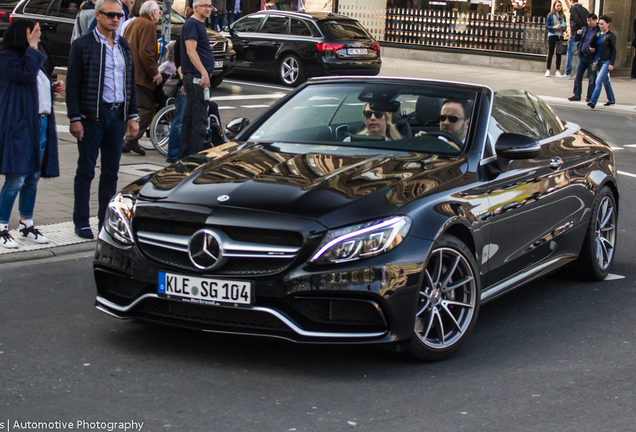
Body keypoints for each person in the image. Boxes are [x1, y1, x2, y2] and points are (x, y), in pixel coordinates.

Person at [66, 0, 140, 239]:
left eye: (119, 15)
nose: (116, 19)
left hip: (117, 116)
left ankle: (104, 220)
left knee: (111, 171)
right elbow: (73, 85)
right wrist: (75, 118)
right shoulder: (82, 45)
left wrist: (133, 115)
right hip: (91, 116)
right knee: (86, 170)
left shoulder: (123, 45)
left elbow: (130, 83)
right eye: (110, 15)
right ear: (97, 16)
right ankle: (81, 220)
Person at [0, 20, 61, 249]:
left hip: (41, 125)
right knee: (16, 178)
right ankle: (2, 227)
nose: (39, 34)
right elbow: (25, 76)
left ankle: (27, 223)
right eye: (34, 31)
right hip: (22, 126)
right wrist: (33, 47)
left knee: (33, 178)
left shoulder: (30, 58)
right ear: (22, 34)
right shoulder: (8, 58)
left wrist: (52, 88)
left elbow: (33, 85)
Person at [122, 0, 162, 156]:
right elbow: (147, 53)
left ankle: (128, 139)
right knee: (145, 108)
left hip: (129, 72)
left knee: (132, 107)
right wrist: (154, 72)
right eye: (158, 12)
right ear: (152, 13)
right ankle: (131, 138)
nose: (159, 15)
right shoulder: (148, 25)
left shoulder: (133, 23)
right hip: (141, 76)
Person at [180, 0, 216, 158]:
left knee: (191, 118)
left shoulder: (197, 24)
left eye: (210, 6)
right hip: (197, 79)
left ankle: (186, 157)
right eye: (205, 6)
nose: (208, 9)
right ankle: (195, 159)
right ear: (195, 7)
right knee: (199, 120)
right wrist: (203, 72)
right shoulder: (193, 24)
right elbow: (190, 51)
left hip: (194, 77)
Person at [568, 13, 600, 102]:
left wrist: (595, 50)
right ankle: (577, 94)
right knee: (578, 76)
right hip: (582, 57)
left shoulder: (598, 30)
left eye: (590, 20)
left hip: (592, 58)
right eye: (587, 20)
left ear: (595, 20)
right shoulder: (585, 29)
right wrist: (577, 34)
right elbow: (576, 39)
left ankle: (590, 96)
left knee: (592, 79)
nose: (588, 22)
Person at [587, 15, 616, 109]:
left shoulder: (610, 36)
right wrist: (592, 48)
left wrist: (611, 63)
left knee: (598, 81)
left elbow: (614, 51)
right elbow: (591, 43)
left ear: (608, 24)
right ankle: (611, 99)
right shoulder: (598, 35)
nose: (601, 26)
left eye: (603, 24)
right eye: (599, 24)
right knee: (605, 81)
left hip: (606, 61)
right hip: (599, 60)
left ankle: (593, 101)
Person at [166, 37, 186, 163]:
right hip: (186, 83)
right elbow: (180, 62)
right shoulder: (184, 40)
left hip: (190, 82)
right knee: (179, 120)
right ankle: (173, 153)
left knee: (181, 120)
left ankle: (176, 152)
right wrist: (185, 80)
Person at [563, 1, 588, 80]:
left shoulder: (574, 9)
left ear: (571, 1)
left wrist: (581, 28)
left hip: (575, 34)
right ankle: (578, 73)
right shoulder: (584, 9)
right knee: (580, 54)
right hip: (583, 34)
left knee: (570, 53)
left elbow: (576, 19)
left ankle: (568, 73)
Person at [545, 0, 566, 78]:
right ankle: (548, 70)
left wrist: (564, 27)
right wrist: (554, 27)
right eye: (557, 6)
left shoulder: (563, 16)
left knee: (559, 53)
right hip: (552, 35)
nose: (559, 7)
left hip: (559, 35)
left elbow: (565, 26)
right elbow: (547, 26)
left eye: (560, 5)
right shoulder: (550, 15)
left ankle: (557, 70)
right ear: (554, 6)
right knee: (550, 53)